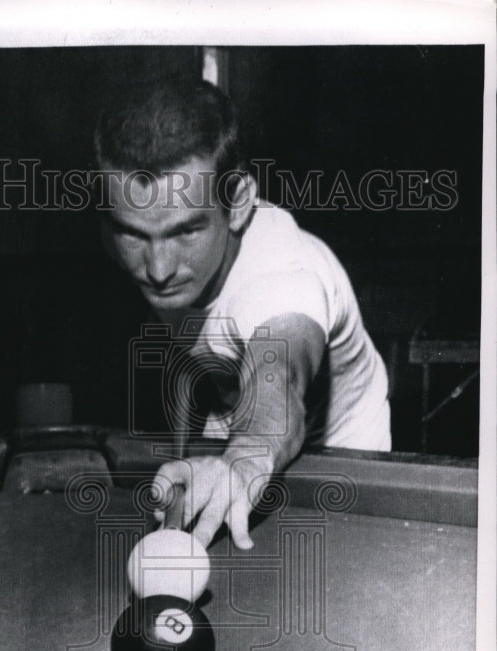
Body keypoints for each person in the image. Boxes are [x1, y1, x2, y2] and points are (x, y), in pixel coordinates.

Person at [94, 78, 390, 549]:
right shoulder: (129, 239)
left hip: (343, 448)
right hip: (230, 411)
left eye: (185, 232)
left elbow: (280, 374)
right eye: (135, 235)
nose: (158, 269)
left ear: (238, 203)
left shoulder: (282, 280)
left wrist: (242, 460)